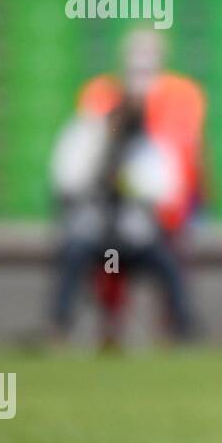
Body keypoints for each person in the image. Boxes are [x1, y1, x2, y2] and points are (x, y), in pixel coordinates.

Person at [51, 29, 204, 347]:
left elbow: (165, 186)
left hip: (136, 232)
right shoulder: (90, 135)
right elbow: (67, 176)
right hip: (95, 229)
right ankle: (62, 326)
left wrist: (130, 186)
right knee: (73, 252)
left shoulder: (149, 146)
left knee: (169, 263)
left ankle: (181, 328)